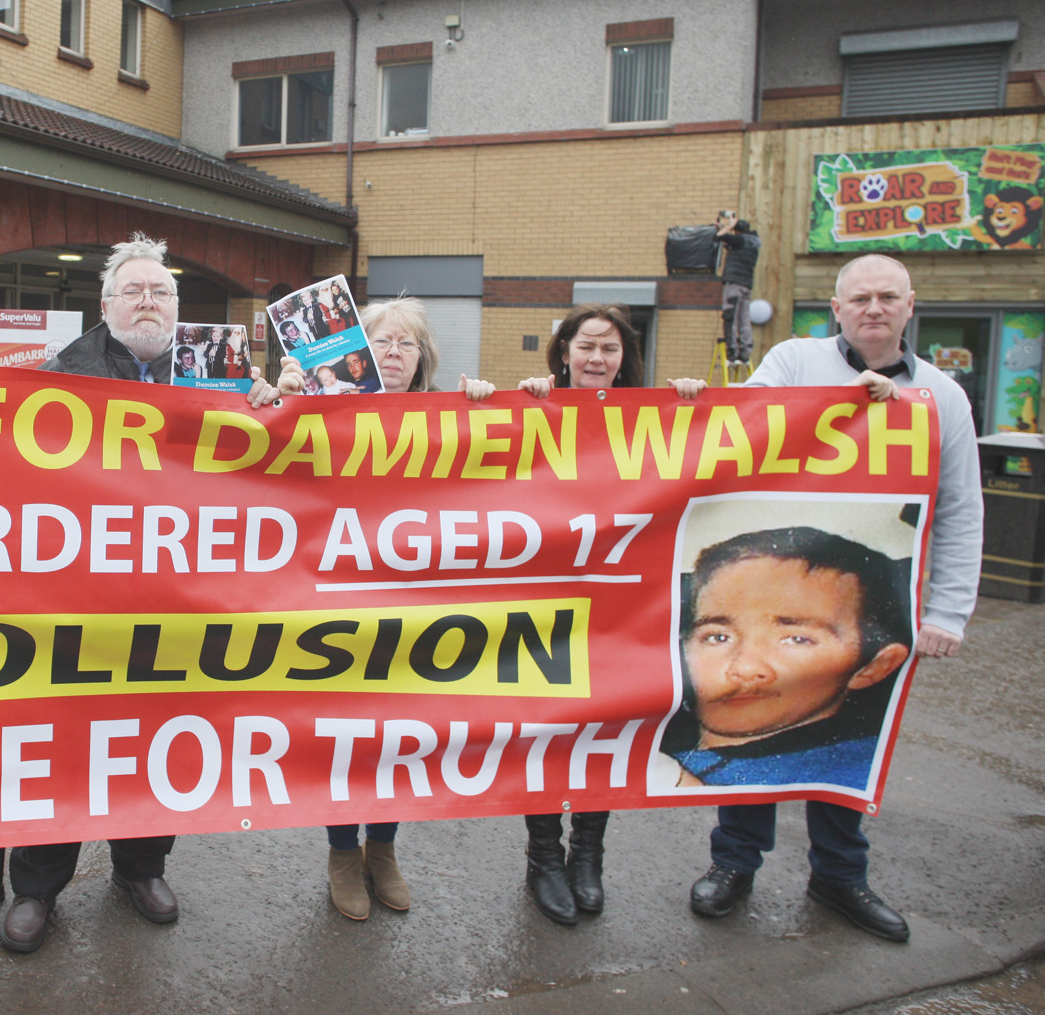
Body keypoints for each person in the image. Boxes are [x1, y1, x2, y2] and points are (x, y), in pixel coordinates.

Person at [0, 233, 279, 953]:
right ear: (106, 303)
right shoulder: (63, 373)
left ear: (178, 308)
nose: (147, 301)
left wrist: (271, 406)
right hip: (79, 604)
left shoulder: (218, 376)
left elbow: (265, 475)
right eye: (134, 290)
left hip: (177, 604)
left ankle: (141, 866)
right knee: (63, 745)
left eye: (160, 292)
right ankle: (37, 886)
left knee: (157, 741)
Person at [687, 253, 982, 943]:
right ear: (837, 308)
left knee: (850, 736)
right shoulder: (794, 362)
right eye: (860, 298)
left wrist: (948, 612)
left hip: (865, 602)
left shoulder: (943, 396)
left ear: (911, 306)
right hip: (768, 589)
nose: (873, 308)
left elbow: (962, 507)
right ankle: (734, 865)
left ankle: (840, 875)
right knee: (750, 727)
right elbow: (738, 428)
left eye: (887, 297)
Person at [277, 296, 493, 920]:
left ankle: (385, 848)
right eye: (382, 340)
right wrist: (281, 395)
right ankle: (343, 852)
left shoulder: (450, 415)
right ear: (354, 351)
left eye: (407, 343)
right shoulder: (318, 410)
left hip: (413, 611)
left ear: (423, 358)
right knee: (345, 736)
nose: (393, 352)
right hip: (333, 605)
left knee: (398, 734)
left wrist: (497, 404)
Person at [513, 304, 706, 926]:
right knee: (545, 732)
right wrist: (506, 399)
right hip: (543, 606)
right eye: (586, 345)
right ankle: (544, 859)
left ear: (626, 359)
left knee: (603, 729)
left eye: (611, 349)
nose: (598, 358)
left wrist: (692, 405)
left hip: (619, 608)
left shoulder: (654, 416)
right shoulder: (530, 408)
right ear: (563, 351)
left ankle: (587, 856)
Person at [659, 525, 914, 791]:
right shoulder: (651, 731)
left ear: (874, 666)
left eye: (796, 639)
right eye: (718, 637)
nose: (745, 667)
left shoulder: (843, 773)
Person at [714, 212, 760, 366]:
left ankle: (732, 352)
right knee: (744, 318)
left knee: (730, 316)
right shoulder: (754, 242)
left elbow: (720, 236)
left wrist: (728, 226)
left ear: (737, 230)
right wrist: (724, 227)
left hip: (734, 283)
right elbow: (730, 244)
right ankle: (745, 352)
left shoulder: (740, 240)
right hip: (746, 285)